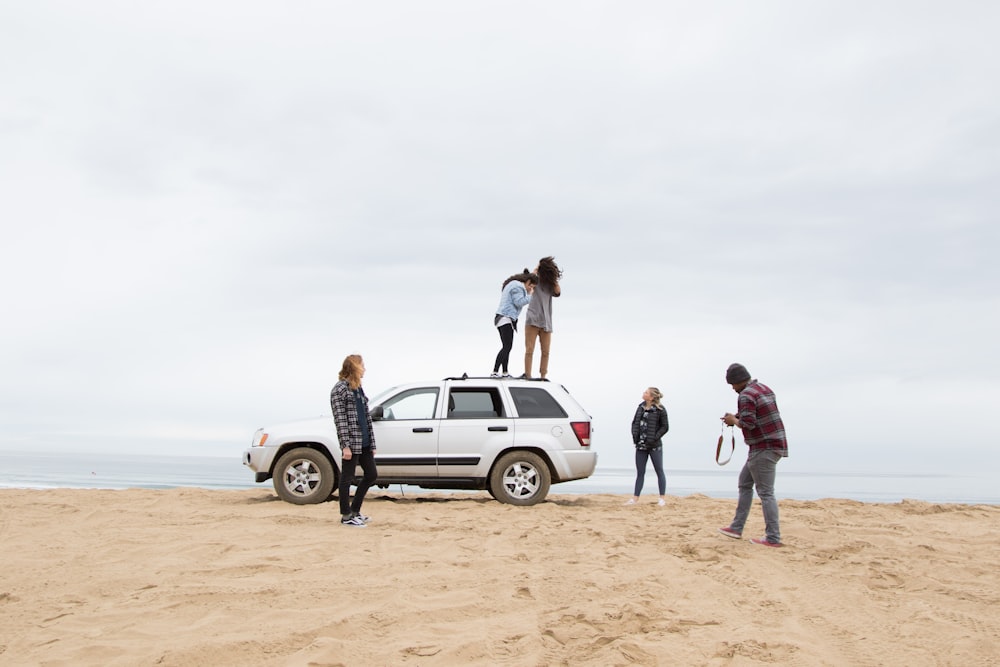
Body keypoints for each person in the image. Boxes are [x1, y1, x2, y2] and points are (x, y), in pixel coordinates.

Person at [718, 363, 788, 547]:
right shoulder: (762, 388)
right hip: (772, 444)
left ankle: (773, 538)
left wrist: (734, 420)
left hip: (763, 446)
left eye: (732, 385)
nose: (732, 388)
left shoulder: (746, 395)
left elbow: (749, 423)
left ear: (737, 381)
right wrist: (735, 418)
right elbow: (754, 415)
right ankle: (736, 527)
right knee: (745, 483)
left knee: (765, 493)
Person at [330, 354, 378, 527]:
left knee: (372, 474)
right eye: (362, 365)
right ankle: (346, 516)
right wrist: (345, 446)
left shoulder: (358, 389)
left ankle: (355, 510)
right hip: (351, 442)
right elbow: (340, 420)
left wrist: (372, 444)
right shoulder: (339, 389)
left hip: (364, 442)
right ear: (355, 367)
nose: (364, 369)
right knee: (347, 478)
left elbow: (366, 418)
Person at [626, 387, 670, 506]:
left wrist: (654, 437)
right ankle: (635, 498)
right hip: (640, 445)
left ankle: (662, 498)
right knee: (640, 472)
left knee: (659, 470)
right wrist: (635, 436)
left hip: (654, 446)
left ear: (651, 397)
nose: (643, 393)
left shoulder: (660, 410)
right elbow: (634, 423)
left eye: (646, 392)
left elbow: (665, 427)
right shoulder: (640, 407)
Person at [492, 269, 537, 377]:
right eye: (531, 287)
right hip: (505, 318)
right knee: (507, 347)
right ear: (527, 282)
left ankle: (504, 372)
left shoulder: (514, 284)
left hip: (503, 318)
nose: (531, 289)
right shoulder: (518, 286)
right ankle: (495, 372)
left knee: (506, 346)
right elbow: (519, 302)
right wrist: (532, 296)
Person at [523, 256, 562, 379]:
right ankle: (528, 375)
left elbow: (558, 292)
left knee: (545, 351)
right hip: (532, 319)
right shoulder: (535, 281)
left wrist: (553, 278)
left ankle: (543, 376)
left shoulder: (550, 284)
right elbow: (527, 282)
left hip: (546, 322)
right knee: (530, 350)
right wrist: (536, 268)